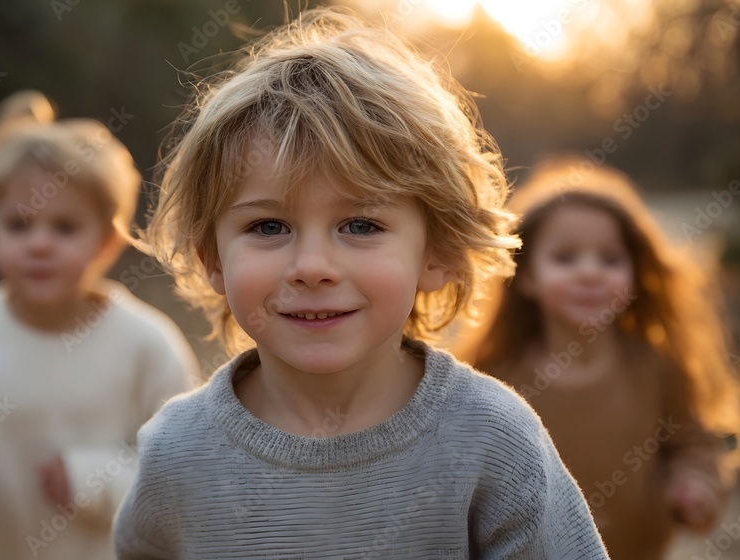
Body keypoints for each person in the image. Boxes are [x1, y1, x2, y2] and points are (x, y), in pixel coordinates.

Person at [113, 9, 608, 559]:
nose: (313, 265)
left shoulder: (491, 440)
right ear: (212, 259)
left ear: (436, 253)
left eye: (361, 225)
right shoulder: (176, 452)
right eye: (268, 226)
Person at [0, 90, 200, 560]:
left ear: (107, 243)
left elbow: (187, 466)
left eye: (65, 227)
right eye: (19, 224)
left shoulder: (146, 343)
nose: (39, 245)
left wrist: (96, 480)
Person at [452, 160, 740, 560]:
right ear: (526, 277)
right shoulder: (493, 376)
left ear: (636, 274)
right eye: (565, 257)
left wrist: (695, 483)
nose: (590, 273)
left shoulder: (655, 366)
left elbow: (693, 444)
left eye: (610, 259)